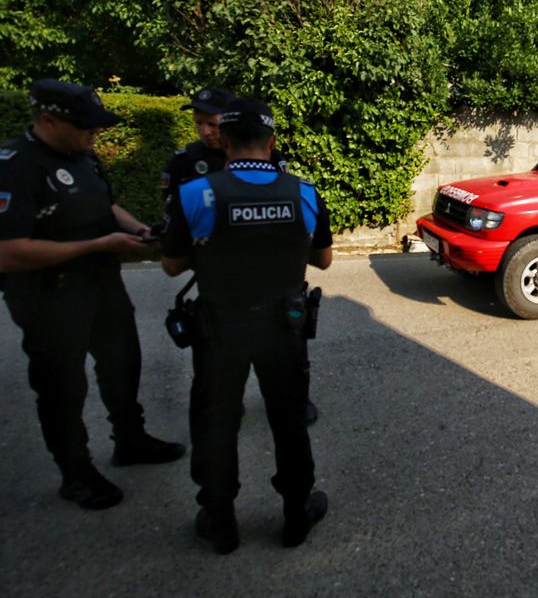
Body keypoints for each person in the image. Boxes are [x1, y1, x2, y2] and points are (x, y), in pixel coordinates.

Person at [0, 79, 185, 510]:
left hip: (102, 285)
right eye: (85, 126)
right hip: (49, 296)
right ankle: (75, 471)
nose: (95, 133)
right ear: (48, 120)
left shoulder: (82, 154)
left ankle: (130, 439)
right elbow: (8, 253)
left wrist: (135, 227)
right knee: (62, 386)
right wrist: (97, 246)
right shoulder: (15, 166)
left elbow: (106, 206)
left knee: (122, 362)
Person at [161, 97, 332, 554]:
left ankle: (219, 520)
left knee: (216, 422)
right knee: (289, 420)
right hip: (284, 327)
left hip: (220, 330)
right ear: (272, 141)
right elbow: (324, 259)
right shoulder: (304, 191)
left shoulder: (197, 193)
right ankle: (296, 515)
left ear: (225, 141)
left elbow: (172, 265)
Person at [163, 86, 319, 427]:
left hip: (271, 295)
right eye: (199, 122)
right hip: (224, 294)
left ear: (229, 129)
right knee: (225, 392)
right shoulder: (184, 163)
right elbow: (174, 234)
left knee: (284, 382)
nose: (206, 131)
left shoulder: (276, 167)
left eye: (213, 124)